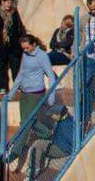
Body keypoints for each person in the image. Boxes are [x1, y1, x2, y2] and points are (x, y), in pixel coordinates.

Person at [8, 35, 58, 167]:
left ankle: (16, 151)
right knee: (26, 121)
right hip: (24, 93)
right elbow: (21, 73)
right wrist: (12, 92)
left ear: (34, 44)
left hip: (36, 94)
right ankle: (47, 133)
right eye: (23, 48)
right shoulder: (26, 55)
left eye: (27, 47)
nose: (25, 50)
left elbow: (51, 76)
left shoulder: (42, 56)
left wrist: (51, 97)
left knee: (26, 122)